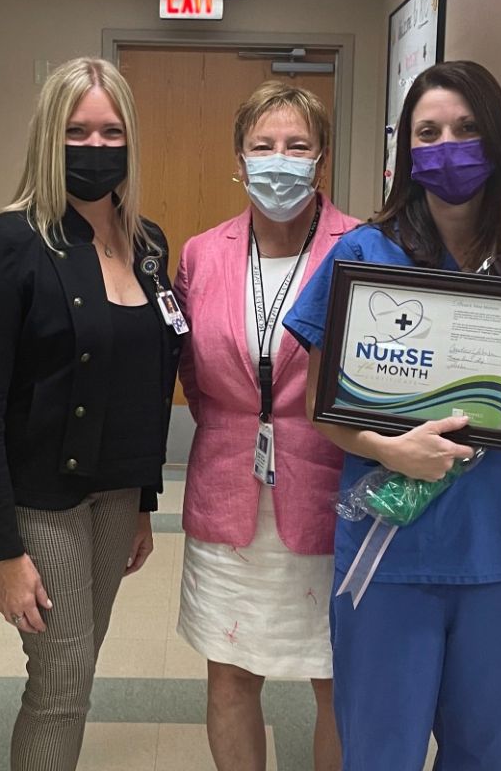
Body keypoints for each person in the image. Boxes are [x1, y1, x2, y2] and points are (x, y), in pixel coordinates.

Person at [283, 61, 501, 771]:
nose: (447, 145)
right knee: (381, 753)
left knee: (485, 754)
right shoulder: (366, 251)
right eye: (429, 132)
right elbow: (316, 404)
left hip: (500, 552)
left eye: (465, 129)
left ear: (497, 140)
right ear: (407, 150)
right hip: (391, 548)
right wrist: (391, 452)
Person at [0, 57, 182, 771]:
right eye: (78, 130)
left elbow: (143, 385)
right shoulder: (9, 242)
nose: (96, 146)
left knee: (78, 667)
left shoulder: (148, 246)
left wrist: (143, 502)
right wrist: (0, 551)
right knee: (61, 680)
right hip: (40, 499)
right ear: (50, 136)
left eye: (112, 132)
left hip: (116, 495)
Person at [173, 81, 357, 771]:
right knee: (229, 674)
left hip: (334, 496)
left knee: (339, 680)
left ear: (322, 159)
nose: (280, 161)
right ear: (240, 159)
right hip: (228, 492)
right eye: (264, 146)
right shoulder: (202, 253)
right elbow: (195, 373)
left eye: (297, 146)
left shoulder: (365, 247)